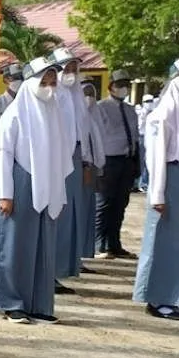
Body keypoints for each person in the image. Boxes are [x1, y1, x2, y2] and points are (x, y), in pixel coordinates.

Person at [0, 58, 71, 324]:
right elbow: (1, 154)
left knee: (42, 247)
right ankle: (12, 303)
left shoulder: (54, 112)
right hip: (20, 182)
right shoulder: (15, 113)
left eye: (52, 82)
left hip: (47, 185)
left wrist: (58, 189)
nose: (49, 87)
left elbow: (61, 153)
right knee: (15, 245)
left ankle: (39, 304)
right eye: (43, 82)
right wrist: (4, 193)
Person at [134, 57, 179, 321]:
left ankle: (172, 297)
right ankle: (156, 299)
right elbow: (156, 159)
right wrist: (158, 194)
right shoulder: (163, 115)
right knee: (162, 242)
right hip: (169, 177)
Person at [49, 49, 95, 293]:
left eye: (74, 68)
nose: (70, 73)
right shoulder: (53, 95)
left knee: (70, 217)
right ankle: (48, 272)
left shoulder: (77, 96)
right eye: (65, 68)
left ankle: (61, 269)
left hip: (75, 159)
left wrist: (86, 162)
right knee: (56, 214)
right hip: (56, 161)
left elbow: (83, 133)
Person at [95, 70, 140, 260]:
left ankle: (115, 244)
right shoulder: (100, 107)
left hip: (127, 160)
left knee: (120, 204)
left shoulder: (131, 110)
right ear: (110, 86)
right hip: (108, 160)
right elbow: (96, 136)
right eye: (119, 85)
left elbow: (135, 137)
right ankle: (99, 245)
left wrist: (137, 161)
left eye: (126, 85)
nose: (123, 88)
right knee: (104, 203)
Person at [0, 63, 25, 248]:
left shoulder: (27, 103)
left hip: (21, 162)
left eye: (21, 78)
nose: (19, 82)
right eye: (15, 78)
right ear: (6, 80)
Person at [79, 78, 107, 262]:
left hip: (93, 168)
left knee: (88, 212)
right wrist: (86, 165)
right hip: (82, 169)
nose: (89, 98)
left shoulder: (94, 117)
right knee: (79, 213)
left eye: (91, 94)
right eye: (85, 94)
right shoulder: (78, 117)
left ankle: (83, 254)